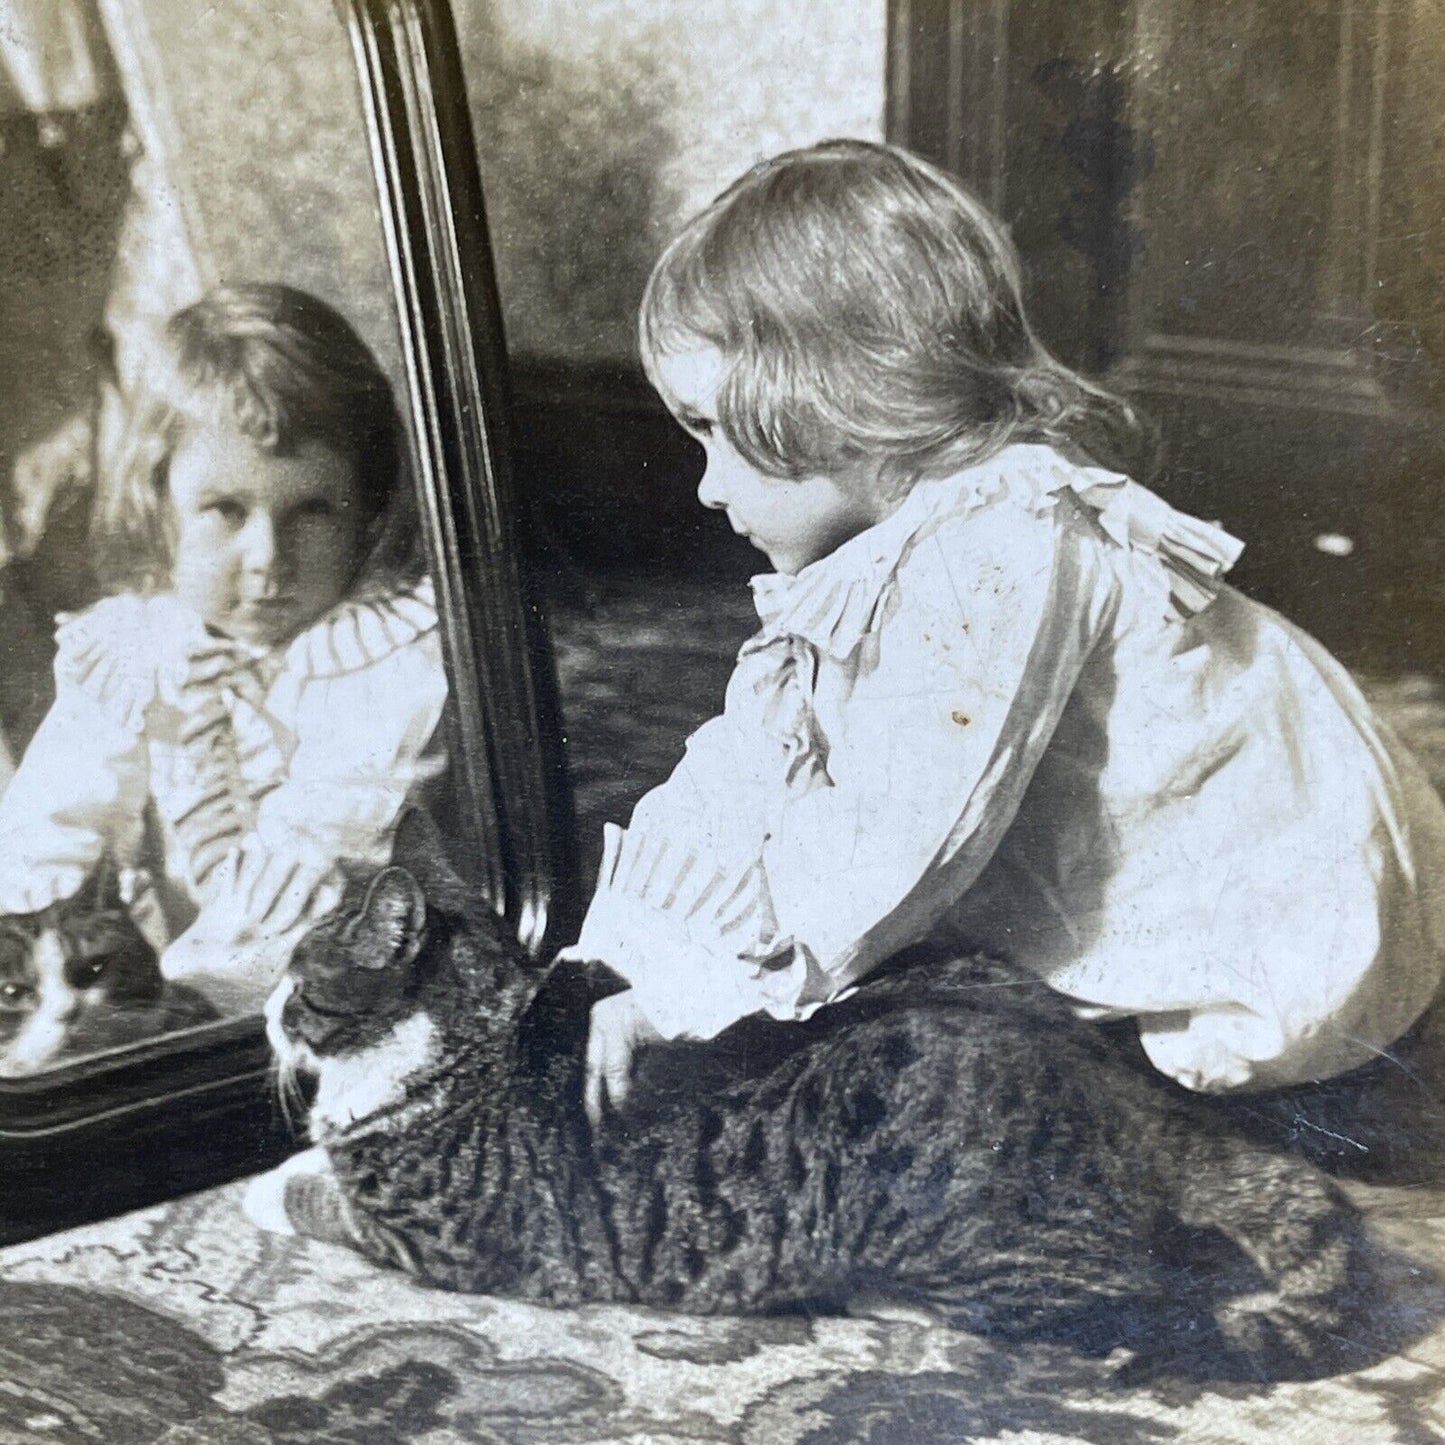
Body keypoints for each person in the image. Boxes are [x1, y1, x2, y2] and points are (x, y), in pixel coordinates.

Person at [571, 139, 1445, 1152]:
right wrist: (622, 951)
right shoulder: (880, 553)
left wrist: (691, 994)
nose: (705, 484)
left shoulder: (997, 544)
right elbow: (748, 759)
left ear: (841, 399)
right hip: (1122, 851)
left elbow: (905, 836)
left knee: (950, 1079)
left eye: (715, 430)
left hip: (1285, 917)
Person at [0, 283, 448, 1011]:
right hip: (170, 983)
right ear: (158, 501)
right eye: (225, 511)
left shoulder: (386, 658)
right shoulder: (135, 648)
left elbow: (328, 852)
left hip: (322, 984)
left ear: (366, 510)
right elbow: (54, 819)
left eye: (311, 510)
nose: (267, 558)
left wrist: (189, 995)